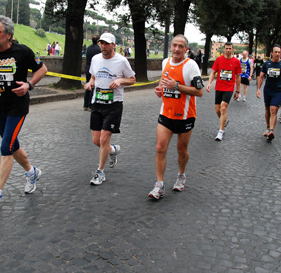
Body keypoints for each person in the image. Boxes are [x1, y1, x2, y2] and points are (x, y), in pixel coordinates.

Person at [0, 15, 48, 208]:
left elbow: (42, 69)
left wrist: (28, 85)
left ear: (8, 35)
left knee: (6, 147)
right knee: (12, 144)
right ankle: (32, 172)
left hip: (17, 106)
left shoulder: (23, 51)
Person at [149, 34, 204, 200]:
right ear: (171, 47)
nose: (177, 49)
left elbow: (199, 92)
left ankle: (181, 175)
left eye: (181, 46)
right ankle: (159, 185)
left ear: (186, 50)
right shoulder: (165, 62)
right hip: (166, 114)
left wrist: (177, 86)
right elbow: (163, 82)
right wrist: (160, 89)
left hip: (186, 117)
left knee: (182, 151)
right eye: (174, 45)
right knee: (160, 148)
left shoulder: (191, 66)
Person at [84, 32, 136, 185]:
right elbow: (93, 75)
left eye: (107, 43)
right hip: (97, 102)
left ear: (114, 45)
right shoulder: (95, 59)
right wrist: (90, 83)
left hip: (114, 105)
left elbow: (132, 79)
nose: (103, 46)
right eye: (101, 43)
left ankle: (100, 172)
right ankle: (112, 150)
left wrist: (120, 80)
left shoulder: (121, 61)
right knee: (96, 141)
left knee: (104, 138)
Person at [206, 42, 242, 141]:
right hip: (219, 87)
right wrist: (209, 83)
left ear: (233, 49)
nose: (228, 50)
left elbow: (238, 76)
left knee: (223, 107)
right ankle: (225, 121)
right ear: (224, 49)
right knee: (217, 109)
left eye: (230, 48)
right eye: (227, 48)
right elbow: (213, 72)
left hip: (229, 87)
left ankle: (221, 131)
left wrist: (238, 90)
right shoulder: (218, 59)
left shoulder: (236, 62)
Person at [256, 45, 281, 141]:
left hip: (278, 91)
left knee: (273, 110)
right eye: (276, 52)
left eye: (279, 52)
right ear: (272, 53)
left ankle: (271, 131)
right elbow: (261, 77)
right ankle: (267, 126)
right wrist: (258, 89)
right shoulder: (267, 64)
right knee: (267, 109)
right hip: (268, 90)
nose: (277, 54)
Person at [83, 34, 101, 111]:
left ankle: (85, 104)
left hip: (88, 69)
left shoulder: (89, 48)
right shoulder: (98, 49)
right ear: (98, 41)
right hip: (94, 70)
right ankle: (90, 105)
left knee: (88, 86)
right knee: (93, 87)